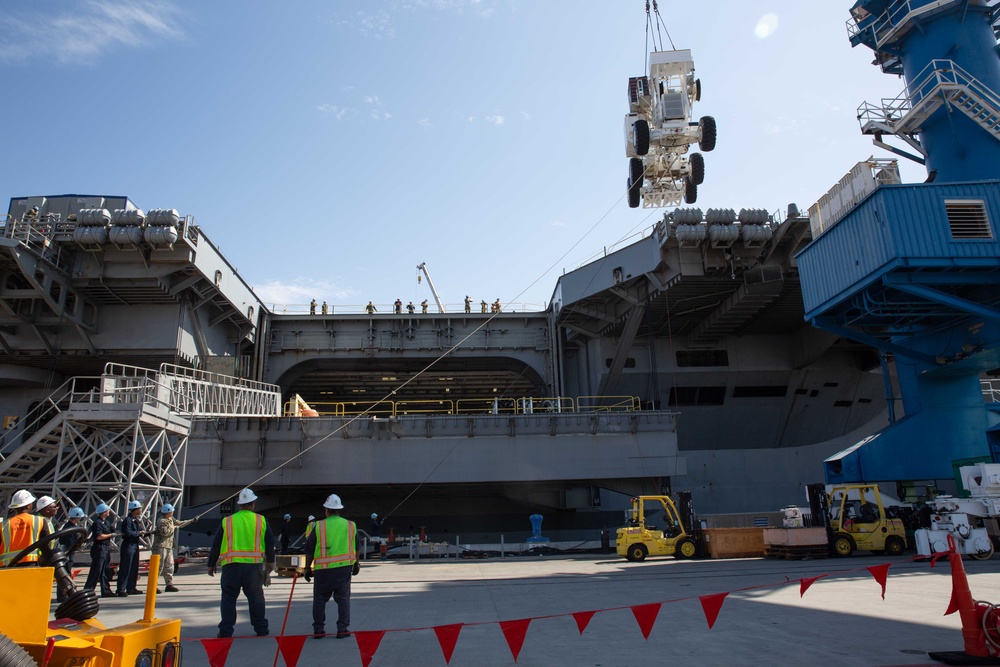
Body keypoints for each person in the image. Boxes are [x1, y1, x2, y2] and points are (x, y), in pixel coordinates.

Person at [207, 487, 274, 639]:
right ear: (253, 504)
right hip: (253, 567)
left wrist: (211, 564)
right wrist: (270, 564)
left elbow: (216, 543)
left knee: (229, 598)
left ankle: (226, 630)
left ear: (240, 505)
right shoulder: (261, 520)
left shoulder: (228, 521)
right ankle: (261, 628)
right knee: (256, 598)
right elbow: (269, 542)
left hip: (231, 567)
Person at [304, 494, 359, 639]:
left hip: (323, 570)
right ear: (339, 510)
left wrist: (307, 568)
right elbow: (357, 547)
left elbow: (309, 550)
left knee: (320, 600)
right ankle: (342, 629)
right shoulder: (350, 525)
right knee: (343, 599)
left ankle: (318, 630)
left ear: (326, 510)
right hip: (343, 568)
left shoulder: (319, 526)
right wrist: (356, 564)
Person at [152, 503, 200, 593]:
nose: (173, 512)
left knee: (169, 566)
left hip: (168, 546)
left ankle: (169, 584)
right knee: (159, 567)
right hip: (160, 547)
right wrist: (173, 527)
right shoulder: (162, 521)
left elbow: (180, 523)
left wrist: (192, 520)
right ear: (169, 512)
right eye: (172, 511)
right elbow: (164, 532)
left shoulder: (170, 519)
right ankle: (153, 585)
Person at [1, 489, 49, 567]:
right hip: (30, 564)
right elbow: (46, 544)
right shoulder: (39, 521)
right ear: (28, 505)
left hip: (7, 567)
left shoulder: (3, 525)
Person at [83, 502, 115, 596]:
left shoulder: (106, 522)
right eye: (107, 510)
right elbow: (99, 536)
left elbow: (112, 529)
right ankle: (88, 590)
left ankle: (106, 590)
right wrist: (110, 535)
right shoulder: (97, 523)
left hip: (105, 548)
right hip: (99, 548)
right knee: (96, 570)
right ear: (104, 512)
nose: (109, 511)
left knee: (105, 570)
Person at [57, 507, 86, 602]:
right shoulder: (69, 528)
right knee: (65, 574)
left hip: (68, 553)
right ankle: (62, 596)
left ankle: (64, 595)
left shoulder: (70, 527)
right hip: (67, 554)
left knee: (66, 574)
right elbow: (70, 543)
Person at [117, 500, 144, 596]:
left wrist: (146, 533)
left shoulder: (136, 520)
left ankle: (131, 587)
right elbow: (128, 533)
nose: (141, 510)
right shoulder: (127, 520)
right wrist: (139, 533)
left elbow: (140, 530)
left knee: (134, 567)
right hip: (128, 545)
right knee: (126, 568)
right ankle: (121, 589)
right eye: (139, 508)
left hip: (135, 545)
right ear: (135, 510)